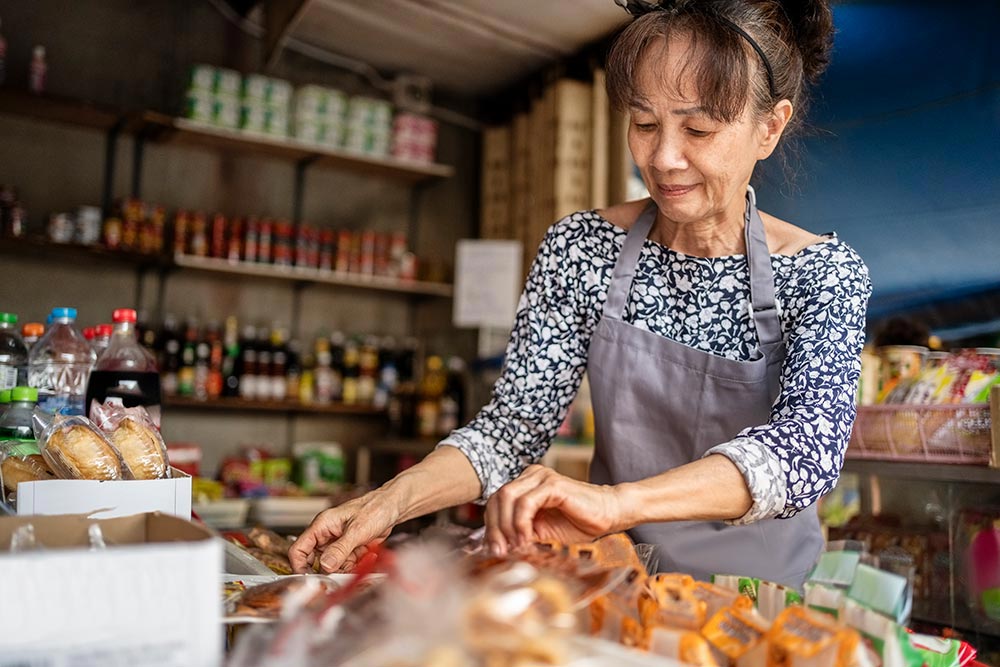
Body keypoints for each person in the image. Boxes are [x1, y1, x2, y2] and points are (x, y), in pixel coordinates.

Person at [290, 0, 871, 588]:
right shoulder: (582, 247)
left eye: (697, 128)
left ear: (768, 128)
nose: (663, 158)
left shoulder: (822, 274)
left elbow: (804, 453)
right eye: (644, 124)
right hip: (615, 588)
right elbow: (510, 430)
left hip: (761, 607)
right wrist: (389, 503)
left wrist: (617, 504)